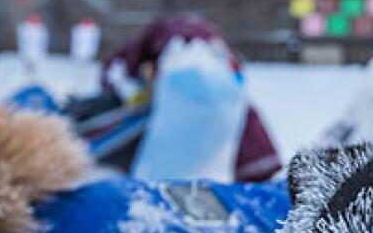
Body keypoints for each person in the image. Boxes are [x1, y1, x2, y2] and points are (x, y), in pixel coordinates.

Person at [70, 14, 283, 181]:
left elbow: (118, 73)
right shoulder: (229, 90)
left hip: (162, 177)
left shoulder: (165, 53)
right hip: (210, 183)